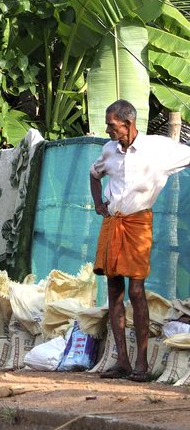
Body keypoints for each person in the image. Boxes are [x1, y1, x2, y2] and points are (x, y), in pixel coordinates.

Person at [90, 99, 190, 382]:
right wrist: (99, 203)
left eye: (112, 125)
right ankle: (122, 360)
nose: (108, 129)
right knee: (113, 289)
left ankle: (141, 364)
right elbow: (94, 174)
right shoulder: (109, 150)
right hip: (113, 222)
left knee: (136, 291)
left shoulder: (158, 149)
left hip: (138, 223)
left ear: (128, 124)